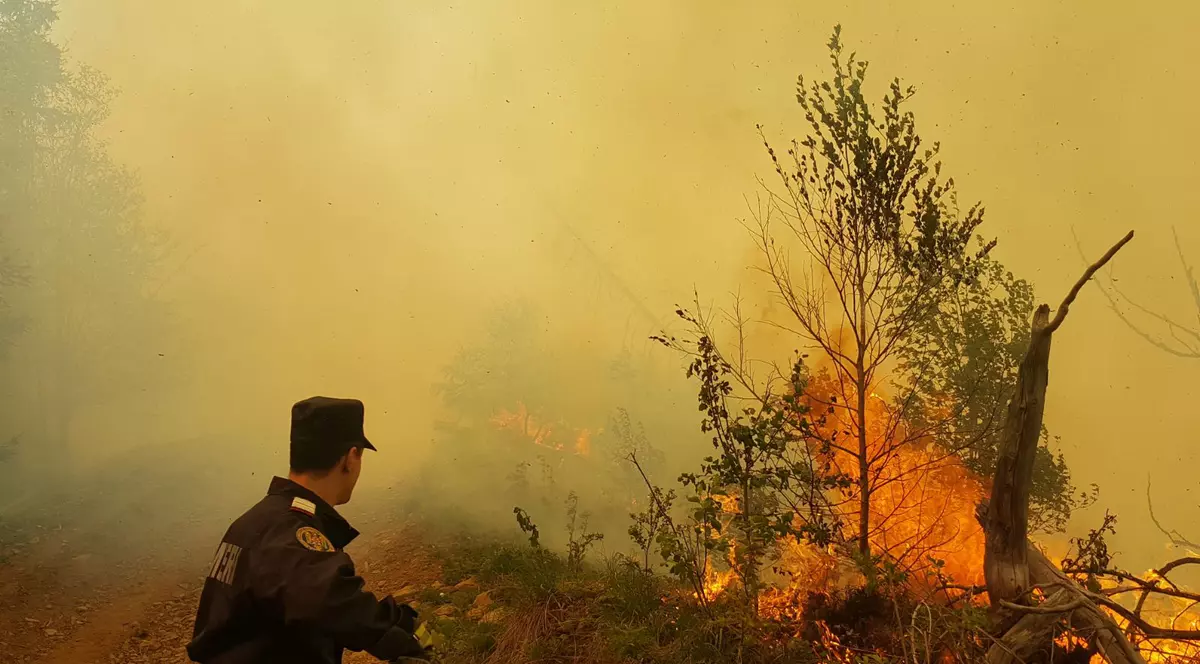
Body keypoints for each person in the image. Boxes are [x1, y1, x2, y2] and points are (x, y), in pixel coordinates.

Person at [187, 396, 429, 663]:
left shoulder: (253, 522)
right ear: (350, 458)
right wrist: (405, 632)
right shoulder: (294, 531)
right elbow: (331, 600)